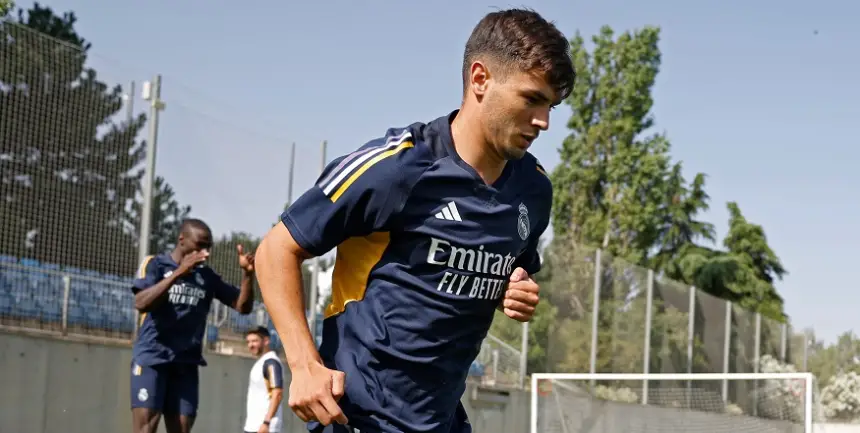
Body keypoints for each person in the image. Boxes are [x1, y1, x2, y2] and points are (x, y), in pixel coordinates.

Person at [255, 8, 574, 433]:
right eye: (532, 98)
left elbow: (506, 270)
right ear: (480, 79)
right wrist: (304, 364)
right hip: (358, 419)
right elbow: (276, 249)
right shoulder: (398, 167)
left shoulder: (533, 190)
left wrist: (514, 290)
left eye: (551, 105)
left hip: (442, 420)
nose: (544, 122)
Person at [130, 218, 256, 433]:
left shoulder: (207, 277)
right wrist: (180, 273)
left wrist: (247, 275)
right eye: (200, 245)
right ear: (182, 240)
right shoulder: (155, 264)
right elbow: (141, 302)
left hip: (186, 364)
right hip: (152, 359)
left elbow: (242, 307)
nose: (205, 253)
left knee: (182, 429)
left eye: (209, 247)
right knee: (146, 428)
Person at [243, 326, 286, 433]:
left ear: (266, 341)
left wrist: (266, 423)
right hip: (253, 426)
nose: (250, 345)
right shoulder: (262, 362)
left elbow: (277, 393)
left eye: (254, 341)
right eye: (248, 342)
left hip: (264, 427)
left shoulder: (271, 362)